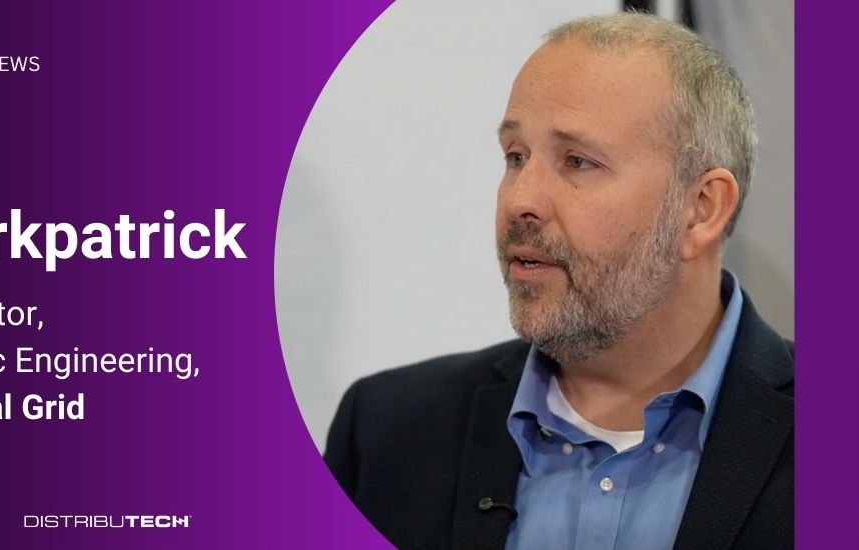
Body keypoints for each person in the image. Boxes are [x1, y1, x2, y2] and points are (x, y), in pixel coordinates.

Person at [323, 13, 792, 550]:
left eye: (578, 162)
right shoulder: (385, 436)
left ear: (701, 208)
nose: (519, 199)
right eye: (515, 156)